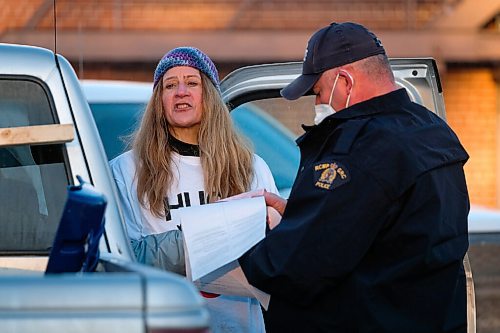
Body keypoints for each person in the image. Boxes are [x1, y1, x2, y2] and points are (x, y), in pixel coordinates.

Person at [238, 22, 470, 332]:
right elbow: (381, 227)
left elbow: (295, 267)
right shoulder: (430, 129)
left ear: (344, 82)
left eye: (318, 92)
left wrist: (233, 247)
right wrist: (298, 214)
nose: (318, 103)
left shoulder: (360, 148)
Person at [110, 46, 278, 333]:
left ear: (209, 96)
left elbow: (276, 254)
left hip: (236, 325)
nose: (181, 92)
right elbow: (121, 258)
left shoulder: (250, 166)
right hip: (162, 323)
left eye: (192, 82)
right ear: (159, 100)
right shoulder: (126, 170)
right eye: (170, 85)